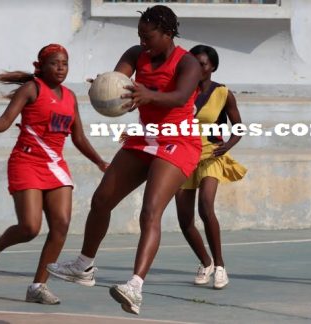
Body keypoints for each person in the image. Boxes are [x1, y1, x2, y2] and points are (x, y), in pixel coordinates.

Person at [47, 5, 202, 315]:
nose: (143, 42)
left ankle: (135, 287)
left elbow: (181, 97)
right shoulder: (136, 52)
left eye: (149, 37)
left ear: (168, 33)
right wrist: (107, 89)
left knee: (150, 211)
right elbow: (119, 80)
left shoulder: (188, 63)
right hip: (145, 137)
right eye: (140, 36)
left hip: (178, 140)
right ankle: (84, 266)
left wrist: (148, 95)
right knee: (102, 199)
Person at [0, 44, 108, 305]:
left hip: (55, 165)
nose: (60, 68)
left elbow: (78, 137)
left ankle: (37, 286)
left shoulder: (70, 97)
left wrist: (100, 162)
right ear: (41, 66)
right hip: (26, 161)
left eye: (65, 63)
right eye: (55, 63)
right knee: (30, 227)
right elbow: (4, 121)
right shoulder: (31, 89)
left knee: (61, 224)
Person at [174, 45, 246, 290]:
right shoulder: (181, 91)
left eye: (202, 64)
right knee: (184, 219)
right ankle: (205, 262)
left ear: (212, 67)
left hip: (210, 155)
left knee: (206, 206)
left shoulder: (223, 93)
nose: (197, 68)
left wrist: (228, 146)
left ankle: (220, 266)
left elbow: (238, 126)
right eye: (193, 63)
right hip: (183, 155)